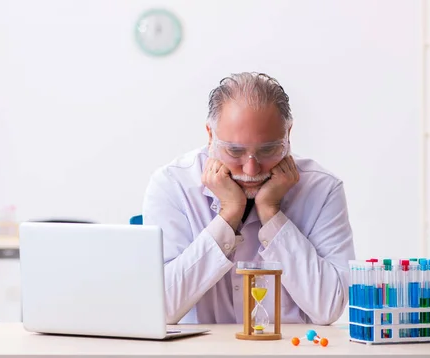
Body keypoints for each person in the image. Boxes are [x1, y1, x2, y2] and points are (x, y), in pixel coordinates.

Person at [142, 72, 355, 326]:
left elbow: (328, 308)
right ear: (210, 136)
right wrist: (229, 214)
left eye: (268, 150)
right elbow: (161, 308)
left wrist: (272, 214)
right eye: (234, 151)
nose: (251, 169)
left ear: (288, 134)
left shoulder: (322, 189)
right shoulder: (173, 185)